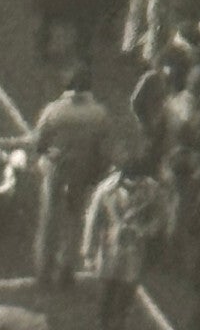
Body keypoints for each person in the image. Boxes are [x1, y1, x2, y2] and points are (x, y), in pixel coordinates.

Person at [33, 67, 113, 287]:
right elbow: (103, 151)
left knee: (49, 220)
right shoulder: (99, 113)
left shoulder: (54, 110)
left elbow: (39, 143)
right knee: (74, 219)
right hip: (82, 170)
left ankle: (44, 270)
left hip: (57, 169)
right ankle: (66, 269)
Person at [83, 157, 165, 330]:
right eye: (131, 181)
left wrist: (144, 230)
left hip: (134, 249)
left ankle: (119, 324)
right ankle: (103, 324)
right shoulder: (106, 189)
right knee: (106, 295)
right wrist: (88, 252)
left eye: (138, 181)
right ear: (122, 178)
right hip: (109, 249)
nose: (135, 184)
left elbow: (159, 216)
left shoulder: (152, 189)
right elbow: (93, 220)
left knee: (126, 296)